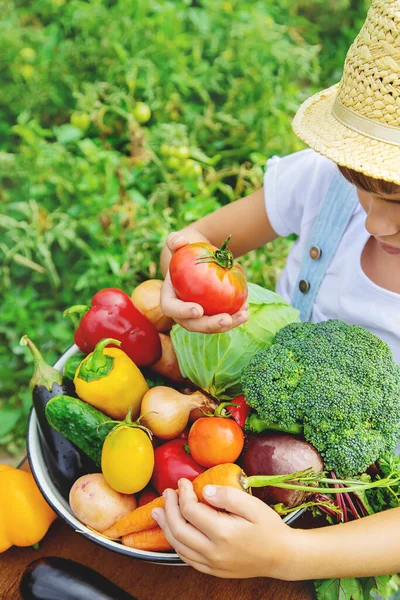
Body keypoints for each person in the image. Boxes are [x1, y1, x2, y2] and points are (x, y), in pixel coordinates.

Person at [152, 0, 400, 582]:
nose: (376, 223)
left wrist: (290, 557)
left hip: (362, 531)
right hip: (240, 455)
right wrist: (181, 297)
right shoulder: (322, 184)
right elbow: (191, 240)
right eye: (362, 186)